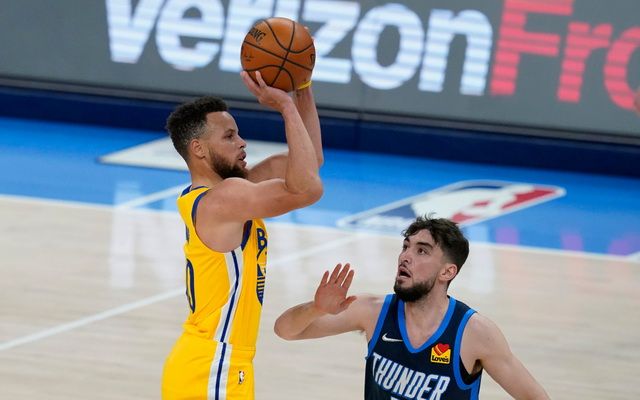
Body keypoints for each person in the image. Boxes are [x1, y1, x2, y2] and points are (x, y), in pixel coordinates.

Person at [161, 70, 323, 400]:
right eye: (229, 136)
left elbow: (310, 161)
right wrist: (286, 108)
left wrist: (303, 88)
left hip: (215, 363)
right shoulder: (223, 200)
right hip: (212, 367)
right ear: (199, 149)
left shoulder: (229, 193)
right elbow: (307, 189)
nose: (242, 142)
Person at [274, 216, 550, 400]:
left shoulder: (475, 333)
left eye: (421, 251)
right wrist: (316, 308)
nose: (405, 256)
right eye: (405, 246)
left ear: (447, 272)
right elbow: (285, 331)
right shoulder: (372, 311)